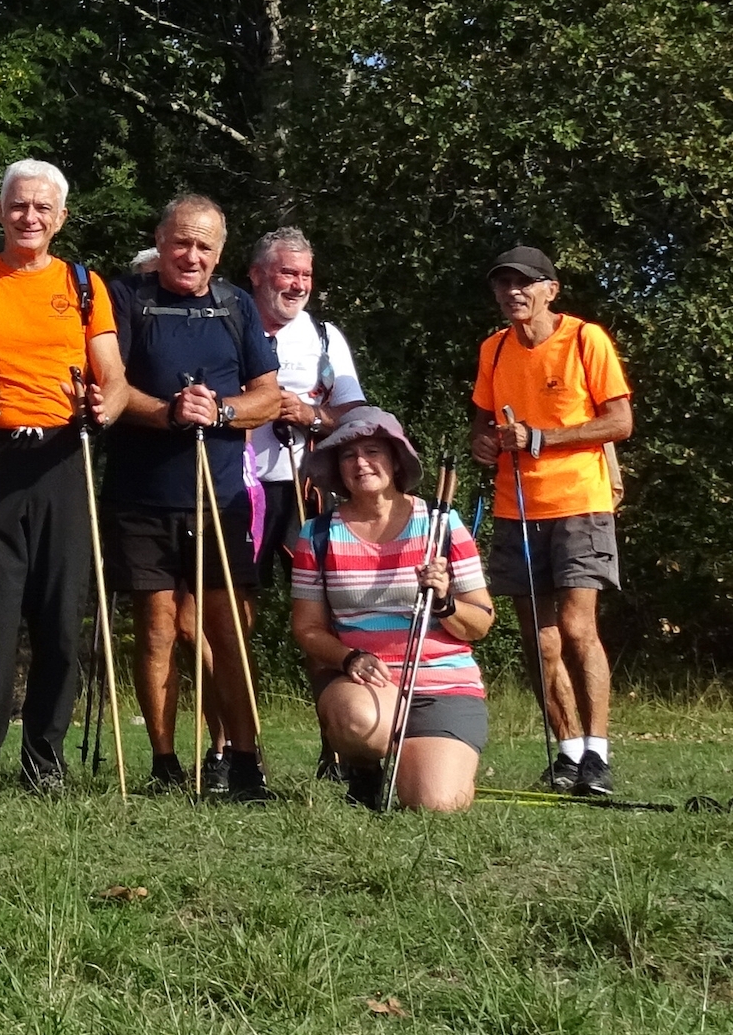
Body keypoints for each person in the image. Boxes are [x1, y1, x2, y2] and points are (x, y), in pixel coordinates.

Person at [0, 159, 129, 801]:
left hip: (64, 457)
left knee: (63, 615)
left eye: (42, 208)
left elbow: (114, 379)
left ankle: (46, 759)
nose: (29, 218)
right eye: (18, 206)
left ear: (60, 217)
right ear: (1, 210)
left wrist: (105, 405)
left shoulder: (85, 286)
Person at [106, 194, 283, 800]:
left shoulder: (236, 305)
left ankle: (244, 758)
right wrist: (169, 412)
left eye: (205, 245)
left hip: (220, 494)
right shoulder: (128, 297)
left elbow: (268, 396)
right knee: (156, 628)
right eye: (181, 242)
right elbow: (111, 388)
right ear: (160, 241)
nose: (192, 255)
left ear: (220, 252)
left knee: (225, 630)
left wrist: (223, 410)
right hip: (142, 490)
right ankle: (163, 762)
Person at [469, 245, 635, 797]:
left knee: (577, 627)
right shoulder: (493, 351)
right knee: (539, 640)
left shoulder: (586, 339)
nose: (513, 292)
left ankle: (598, 754)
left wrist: (543, 439)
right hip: (514, 506)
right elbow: (480, 428)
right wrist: (487, 444)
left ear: (550, 290)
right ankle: (566, 754)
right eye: (503, 284)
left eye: (525, 283)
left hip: (580, 503)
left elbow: (619, 421)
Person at [291, 406, 493, 812]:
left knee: (437, 804)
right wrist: (350, 658)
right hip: (366, 685)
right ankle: (365, 769)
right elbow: (307, 629)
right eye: (348, 455)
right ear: (337, 468)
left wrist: (446, 602)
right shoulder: (317, 534)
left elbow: (481, 623)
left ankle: (418, 768)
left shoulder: (443, 525)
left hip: (445, 685)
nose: (361, 463)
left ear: (396, 459)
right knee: (361, 724)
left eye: (373, 451)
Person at [243, 226, 363, 584]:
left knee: (318, 593)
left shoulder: (323, 336)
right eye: (288, 273)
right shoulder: (229, 328)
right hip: (238, 488)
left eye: (306, 275)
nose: (299, 285)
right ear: (256, 274)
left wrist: (309, 415)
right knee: (236, 592)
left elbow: (357, 416)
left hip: (305, 488)